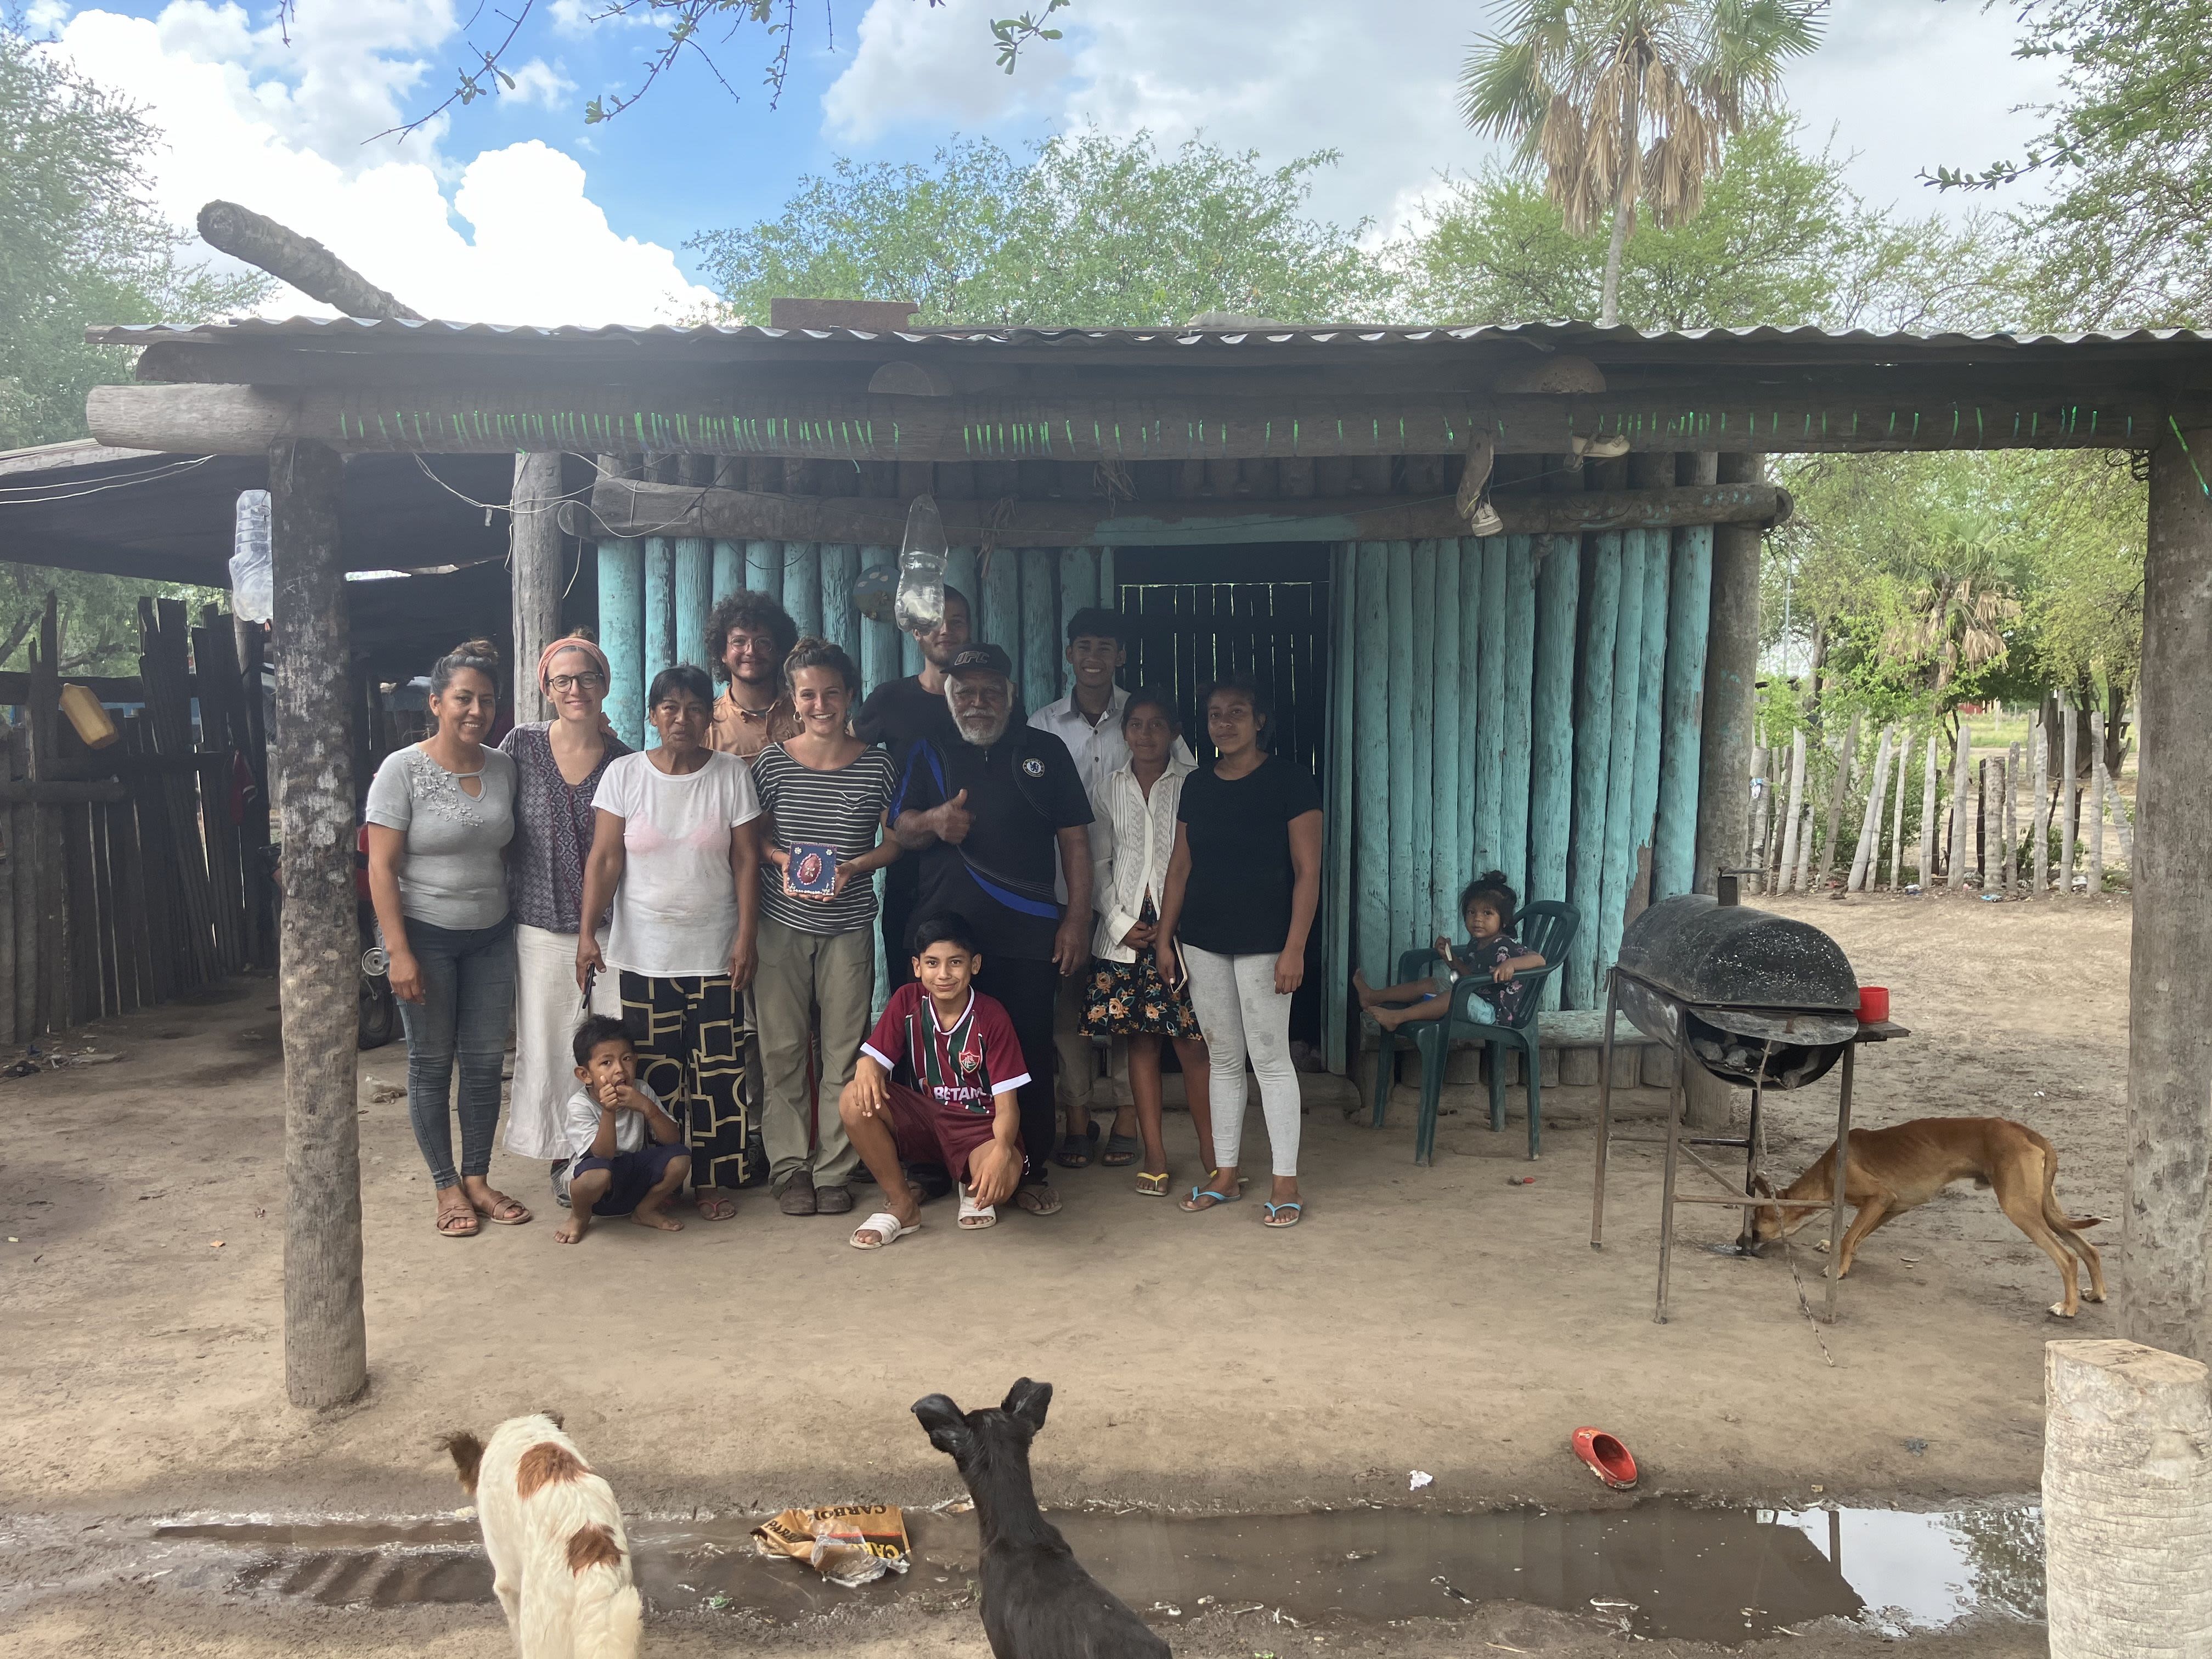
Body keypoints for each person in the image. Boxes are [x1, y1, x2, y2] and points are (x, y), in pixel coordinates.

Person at [889, 642, 1092, 1216]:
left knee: (1027, 1054)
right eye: (966, 691)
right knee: (932, 1060)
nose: (978, 702)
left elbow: (1075, 840)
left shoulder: (1044, 751)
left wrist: (1077, 918)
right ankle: (932, 1167)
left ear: (1010, 695)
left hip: (1026, 935)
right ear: (950, 696)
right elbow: (901, 828)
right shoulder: (928, 749)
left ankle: (1028, 1170)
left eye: (990, 691)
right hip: (943, 943)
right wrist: (934, 821)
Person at [577, 664, 764, 1221]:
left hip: (715, 953)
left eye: (695, 708)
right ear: (653, 715)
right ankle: (661, 1180)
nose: (682, 718)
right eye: (670, 707)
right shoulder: (625, 775)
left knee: (718, 1073)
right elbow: (605, 859)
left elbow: (746, 860)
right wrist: (587, 933)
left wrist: (746, 936)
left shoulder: (731, 774)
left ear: (710, 717)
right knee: (657, 1075)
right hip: (645, 955)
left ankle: (713, 1181)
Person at [364, 637, 527, 1239]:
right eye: (463, 698)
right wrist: (398, 951)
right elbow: (381, 867)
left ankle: (478, 1179)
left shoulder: (504, 768)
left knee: (483, 1065)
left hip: (491, 936)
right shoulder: (401, 771)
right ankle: (445, 1185)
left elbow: (508, 851)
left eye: (486, 700)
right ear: (435, 703)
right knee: (431, 1064)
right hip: (424, 937)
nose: (476, 710)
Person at [1155, 674, 1323, 1229]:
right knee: (1224, 1058)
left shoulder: (1291, 781)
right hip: (1203, 939)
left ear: (1260, 720)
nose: (1224, 723)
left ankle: (1285, 1182)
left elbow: (1307, 871)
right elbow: (1180, 867)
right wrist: (1165, 938)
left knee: (1270, 1061)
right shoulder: (1198, 785)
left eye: (1237, 712)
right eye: (1215, 714)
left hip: (1267, 942)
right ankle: (1225, 1174)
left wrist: (1295, 947)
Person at [1029, 607, 1193, 1166]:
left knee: (1133, 1016)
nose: (1094, 657)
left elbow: (1188, 794)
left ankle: (1127, 1116)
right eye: (1084, 647)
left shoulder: (1147, 717)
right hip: (1062, 891)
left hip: (1143, 903)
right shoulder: (1044, 725)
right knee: (1068, 1014)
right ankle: (1078, 1118)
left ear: (1120, 655)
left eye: (1106, 647)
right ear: (1069, 654)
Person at [749, 637, 901, 1218]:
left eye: (831, 694)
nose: (820, 705)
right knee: (783, 1049)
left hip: (848, 926)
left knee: (843, 1051)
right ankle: (791, 1169)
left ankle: (835, 1169)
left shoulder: (878, 765)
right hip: (780, 923)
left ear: (850, 696)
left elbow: (895, 843)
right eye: (808, 695)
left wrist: (854, 868)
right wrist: (783, 861)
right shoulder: (772, 762)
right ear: (793, 698)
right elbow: (753, 839)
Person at [498, 637, 630, 1173]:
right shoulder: (520, 745)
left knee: (616, 1042)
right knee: (549, 1042)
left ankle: (621, 1151)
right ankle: (561, 1152)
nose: (576, 689)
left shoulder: (624, 761)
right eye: (563, 680)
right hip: (540, 923)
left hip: (612, 927)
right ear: (547, 689)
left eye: (587, 678)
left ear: (604, 685)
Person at [1083, 688, 1214, 1196]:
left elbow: (1200, 861)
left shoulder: (1195, 785)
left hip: (1183, 932)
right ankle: (1155, 1154)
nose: (1145, 734)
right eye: (1136, 724)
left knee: (1193, 1045)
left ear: (1175, 732)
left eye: (1157, 724)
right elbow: (1097, 864)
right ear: (1124, 732)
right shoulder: (1106, 789)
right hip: (1126, 936)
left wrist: (1176, 923)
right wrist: (1118, 921)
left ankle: (1213, 1152)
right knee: (1140, 1043)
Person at [839, 912, 1029, 1249]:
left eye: (955, 962)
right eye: (932, 963)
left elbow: (1007, 1107)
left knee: (1003, 1181)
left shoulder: (992, 1015)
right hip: (926, 1120)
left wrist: (1002, 1151)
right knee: (854, 1098)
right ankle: (902, 1205)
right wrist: (867, 1064)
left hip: (979, 1128)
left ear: (974, 965)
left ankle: (972, 1179)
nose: (943, 974)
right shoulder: (907, 1000)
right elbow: (874, 1062)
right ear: (917, 967)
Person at [853, 583, 970, 988]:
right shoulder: (890, 699)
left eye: (957, 622)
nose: (946, 631)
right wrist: (884, 812)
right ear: (917, 632)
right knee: (910, 984)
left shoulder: (988, 700)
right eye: (935, 622)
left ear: (970, 631)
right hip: (910, 867)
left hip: (977, 862)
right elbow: (846, 757)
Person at [555, 1015, 690, 1244]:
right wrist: (608, 1112)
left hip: (633, 1175)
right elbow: (603, 1155)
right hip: (596, 1181)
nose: (620, 1069)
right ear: (585, 1075)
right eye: (607, 1063)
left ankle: (645, 1210)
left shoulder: (641, 1090)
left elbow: (672, 1139)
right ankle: (579, 1217)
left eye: (626, 1059)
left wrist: (648, 1108)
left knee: (681, 1158)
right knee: (597, 1174)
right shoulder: (580, 1105)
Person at [1354, 872, 1545, 1032]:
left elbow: (1539, 960)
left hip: (1493, 1013)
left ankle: (1397, 1018)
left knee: (1452, 997)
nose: (1478, 919)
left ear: (1504, 921)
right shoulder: (1476, 944)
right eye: (1472, 912)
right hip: (1473, 996)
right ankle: (1373, 996)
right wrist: (1450, 958)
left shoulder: (1505, 945)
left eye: (1487, 913)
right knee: (1432, 983)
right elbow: (1470, 976)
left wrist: (1511, 964)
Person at [706, 590, 802, 758]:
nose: (751, 651)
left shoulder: (805, 711)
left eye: (762, 642)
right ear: (723, 653)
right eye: (739, 642)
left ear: (779, 650)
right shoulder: (707, 725)